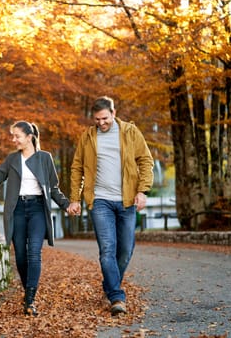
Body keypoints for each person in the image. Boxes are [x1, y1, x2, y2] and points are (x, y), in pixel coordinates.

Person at [0, 121, 70, 316]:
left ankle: (30, 299)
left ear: (29, 137)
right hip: (17, 210)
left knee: (34, 252)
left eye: (17, 136)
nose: (13, 140)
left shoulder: (44, 158)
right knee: (20, 256)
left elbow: (52, 188)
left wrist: (67, 205)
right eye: (13, 136)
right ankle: (28, 291)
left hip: (37, 209)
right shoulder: (12, 160)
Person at [67, 96, 154, 316]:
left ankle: (109, 285)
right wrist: (75, 198)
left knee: (125, 251)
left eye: (105, 118)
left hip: (126, 200)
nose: (101, 123)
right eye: (97, 119)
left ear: (113, 113)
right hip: (100, 201)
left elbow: (145, 160)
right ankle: (116, 296)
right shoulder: (88, 137)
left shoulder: (130, 132)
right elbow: (77, 168)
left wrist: (142, 191)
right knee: (107, 249)